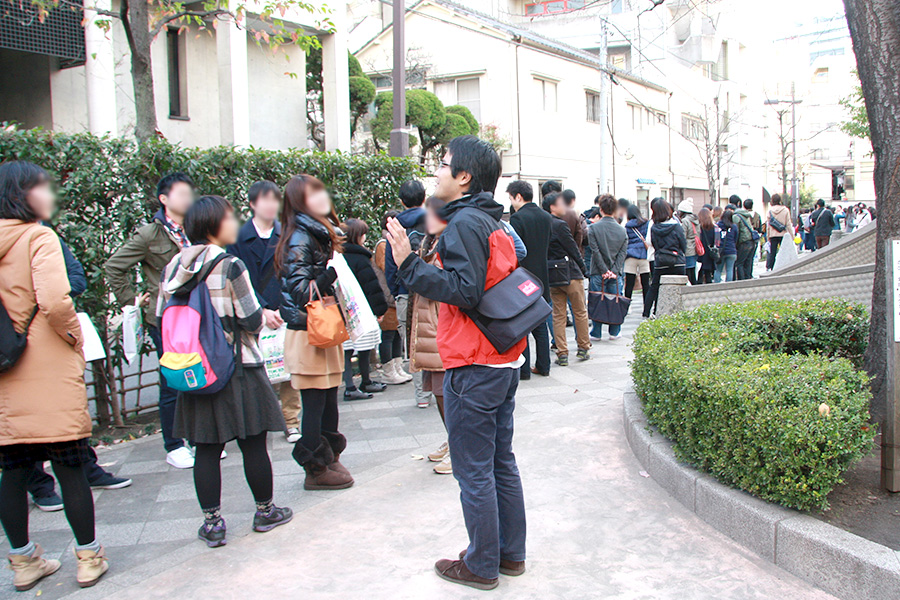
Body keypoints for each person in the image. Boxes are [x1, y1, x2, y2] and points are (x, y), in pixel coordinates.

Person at [387, 136, 527, 590]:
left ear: (464, 177)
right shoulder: (490, 220)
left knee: (474, 469)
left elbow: (464, 291)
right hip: (500, 359)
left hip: (474, 362)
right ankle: (509, 556)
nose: (438, 172)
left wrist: (408, 264)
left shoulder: (465, 222)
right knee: (499, 462)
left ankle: (481, 564)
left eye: (443, 165)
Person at [0, 161, 109, 590]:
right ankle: (88, 558)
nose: (49, 195)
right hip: (46, 363)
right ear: (24, 194)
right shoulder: (38, 236)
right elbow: (54, 299)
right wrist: (71, 337)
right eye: (42, 188)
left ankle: (24, 564)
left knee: (13, 470)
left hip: (6, 370)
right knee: (69, 467)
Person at [158, 195, 291, 548]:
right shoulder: (229, 265)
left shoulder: (172, 267)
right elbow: (249, 318)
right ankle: (265, 512)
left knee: (205, 447)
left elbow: (161, 316)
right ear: (216, 225)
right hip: (237, 367)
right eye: (229, 218)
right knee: (253, 444)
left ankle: (213, 524)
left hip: (194, 368)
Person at [27, 232, 132, 513]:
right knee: (26, 417)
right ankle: (39, 485)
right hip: (18, 343)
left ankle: (88, 467)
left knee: (69, 408)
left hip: (55, 338)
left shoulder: (45, 232)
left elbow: (76, 279)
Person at [105, 173, 196, 469]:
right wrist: (131, 300)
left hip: (198, 313)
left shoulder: (197, 228)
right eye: (181, 194)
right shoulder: (150, 234)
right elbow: (114, 267)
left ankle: (200, 438)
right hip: (166, 318)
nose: (188, 199)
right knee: (172, 379)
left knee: (201, 374)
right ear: (164, 199)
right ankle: (174, 445)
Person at [277, 175, 354, 491]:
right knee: (315, 402)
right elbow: (299, 290)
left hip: (323, 325)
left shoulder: (318, 232)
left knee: (328, 400)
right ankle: (315, 468)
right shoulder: (300, 236)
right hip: (307, 329)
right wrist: (330, 275)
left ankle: (329, 457)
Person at [226, 180, 303, 444]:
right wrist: (261, 310)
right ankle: (257, 419)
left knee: (287, 366)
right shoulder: (237, 238)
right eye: (264, 200)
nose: (271, 205)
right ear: (251, 204)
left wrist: (281, 308)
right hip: (251, 311)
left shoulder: (287, 234)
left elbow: (293, 273)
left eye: (275, 200)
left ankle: (291, 421)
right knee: (256, 368)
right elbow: (238, 278)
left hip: (283, 309)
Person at [410, 197, 451, 475]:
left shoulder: (451, 241)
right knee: (437, 390)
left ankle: (460, 446)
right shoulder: (430, 242)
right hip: (427, 324)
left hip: (441, 325)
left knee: (444, 392)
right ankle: (453, 440)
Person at [384, 180, 429, 407]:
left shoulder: (395, 225)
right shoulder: (436, 219)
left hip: (405, 291)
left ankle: (422, 397)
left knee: (413, 344)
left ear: (401, 201)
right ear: (424, 197)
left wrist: (397, 290)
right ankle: (440, 389)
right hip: (433, 290)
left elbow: (390, 265)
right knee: (437, 338)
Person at [339, 218, 388, 401]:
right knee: (364, 346)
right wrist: (379, 309)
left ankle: (350, 384)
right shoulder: (360, 258)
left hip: (342, 310)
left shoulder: (338, 256)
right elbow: (371, 286)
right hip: (362, 310)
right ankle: (363, 381)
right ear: (357, 236)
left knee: (347, 348)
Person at [507, 180, 552, 379]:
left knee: (523, 326)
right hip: (543, 276)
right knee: (540, 325)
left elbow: (516, 251)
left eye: (510, 198)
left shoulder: (518, 219)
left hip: (523, 278)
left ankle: (524, 370)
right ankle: (544, 366)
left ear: (518, 196)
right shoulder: (545, 216)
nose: (511, 202)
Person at [544, 191, 591, 364]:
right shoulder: (560, 225)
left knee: (558, 314)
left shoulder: (543, 224)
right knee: (579, 311)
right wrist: (584, 268)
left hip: (552, 274)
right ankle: (583, 348)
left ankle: (562, 353)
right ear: (552, 207)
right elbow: (572, 248)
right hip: (570, 272)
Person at [374, 210, 409, 386]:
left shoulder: (392, 242)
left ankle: (397, 367)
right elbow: (388, 267)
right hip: (387, 297)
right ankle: (389, 371)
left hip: (392, 296)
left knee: (396, 334)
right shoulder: (383, 244)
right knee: (388, 335)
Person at [588, 194, 628, 341]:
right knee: (615, 301)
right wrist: (614, 271)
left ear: (601, 209)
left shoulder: (593, 228)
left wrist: (604, 270)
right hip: (615, 273)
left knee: (597, 301)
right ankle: (615, 331)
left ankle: (596, 332)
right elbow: (622, 254)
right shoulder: (622, 231)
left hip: (598, 272)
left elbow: (595, 251)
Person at [642, 199, 686, 318]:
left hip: (661, 261)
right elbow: (683, 244)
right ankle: (681, 311)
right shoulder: (676, 226)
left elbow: (654, 244)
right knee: (681, 286)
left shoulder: (654, 228)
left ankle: (647, 313)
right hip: (677, 261)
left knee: (654, 287)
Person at [623, 204, 651, 307]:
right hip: (644, 255)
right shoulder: (646, 223)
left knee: (629, 284)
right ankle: (646, 307)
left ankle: (626, 307)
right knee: (646, 284)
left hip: (631, 256)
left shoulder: (627, 226)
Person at [734, 199, 761, 280]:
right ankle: (748, 278)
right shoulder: (756, 215)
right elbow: (760, 228)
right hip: (752, 240)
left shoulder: (738, 216)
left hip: (744, 241)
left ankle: (742, 281)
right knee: (749, 261)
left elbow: (736, 231)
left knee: (740, 263)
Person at [765, 193, 792, 271]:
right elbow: (788, 224)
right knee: (784, 251)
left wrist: (768, 237)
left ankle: (772, 268)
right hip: (783, 234)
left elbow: (768, 225)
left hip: (773, 235)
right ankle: (784, 267)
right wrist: (792, 236)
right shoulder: (785, 210)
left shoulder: (770, 211)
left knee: (772, 253)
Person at [676, 199, 699, 285]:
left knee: (688, 271)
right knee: (693, 271)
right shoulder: (695, 219)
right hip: (695, 247)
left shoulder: (685, 221)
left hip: (688, 248)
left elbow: (683, 236)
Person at [715, 209, 739, 283]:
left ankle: (716, 285)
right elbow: (736, 239)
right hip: (731, 251)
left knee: (718, 270)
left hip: (721, 251)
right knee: (729, 269)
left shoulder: (717, 226)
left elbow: (716, 239)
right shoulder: (734, 227)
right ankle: (728, 286)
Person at [697, 207, 717, 284]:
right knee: (708, 275)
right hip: (710, 253)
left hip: (700, 253)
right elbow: (717, 242)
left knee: (699, 274)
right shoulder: (714, 227)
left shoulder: (699, 228)